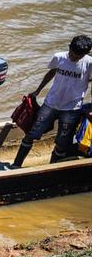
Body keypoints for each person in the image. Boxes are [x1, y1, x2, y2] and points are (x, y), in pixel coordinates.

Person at [13, 35, 92, 167]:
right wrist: (37, 91)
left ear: (85, 54)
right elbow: (51, 73)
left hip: (72, 109)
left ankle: (52, 168)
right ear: (69, 48)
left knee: (62, 143)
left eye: (79, 57)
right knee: (31, 134)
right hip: (50, 103)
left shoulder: (89, 63)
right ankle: (16, 165)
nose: (74, 58)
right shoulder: (59, 57)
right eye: (72, 55)